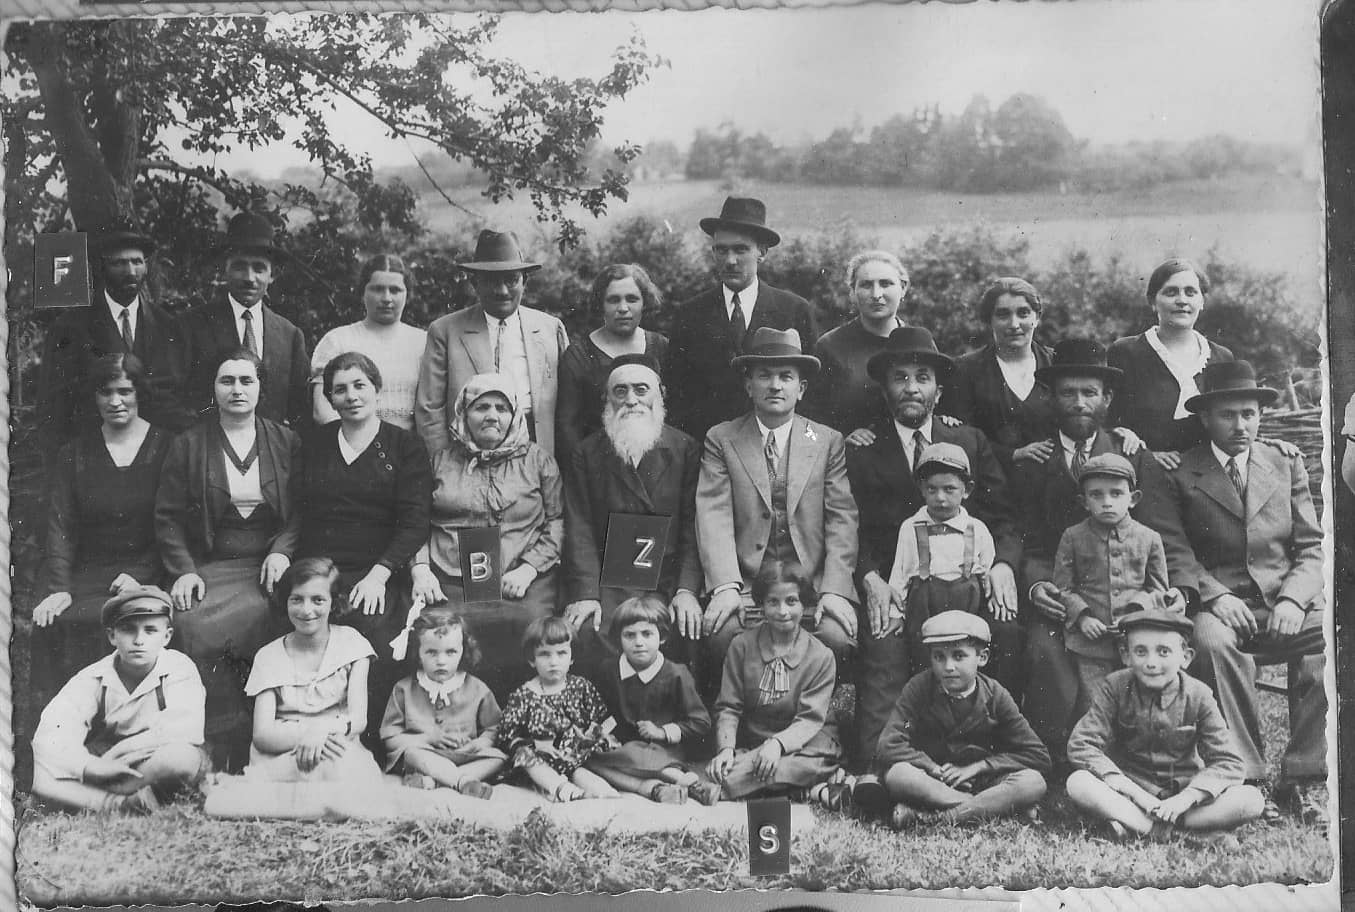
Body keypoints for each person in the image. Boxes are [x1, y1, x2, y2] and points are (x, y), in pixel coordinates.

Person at [1147, 359, 1327, 822]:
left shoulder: (1285, 463)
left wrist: (1292, 597)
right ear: (1205, 418)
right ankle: (1244, 775)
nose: (1241, 425)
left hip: (1283, 598)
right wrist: (1215, 596)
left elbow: (1311, 546)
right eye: (1228, 415)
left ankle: (1304, 776)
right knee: (1210, 643)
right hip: (1219, 602)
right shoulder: (1181, 472)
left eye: (1249, 413)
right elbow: (1175, 549)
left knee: (1325, 639)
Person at [844, 326, 1020, 769]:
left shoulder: (969, 441)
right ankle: (876, 766)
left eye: (922, 377)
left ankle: (996, 758)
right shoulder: (863, 447)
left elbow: (1004, 519)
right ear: (885, 389)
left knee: (1008, 634)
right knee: (883, 644)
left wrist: (1001, 566)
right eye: (899, 377)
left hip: (967, 584)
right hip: (898, 587)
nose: (911, 387)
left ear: (938, 391)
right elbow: (853, 530)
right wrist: (871, 580)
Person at [1011, 338, 1168, 772]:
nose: (1079, 402)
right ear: (1051, 397)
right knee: (1045, 653)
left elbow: (1160, 535)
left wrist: (1167, 596)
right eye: (1067, 392)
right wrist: (1037, 584)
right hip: (1057, 593)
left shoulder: (1130, 453)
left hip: (1126, 601)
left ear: (1107, 397)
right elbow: (1024, 539)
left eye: (1090, 392)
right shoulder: (1033, 460)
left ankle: (1129, 757)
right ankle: (1052, 759)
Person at [154, 348, 302, 770]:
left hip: (267, 565)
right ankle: (218, 738)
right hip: (210, 564)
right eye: (227, 381)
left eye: (246, 381)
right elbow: (166, 516)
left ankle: (264, 736)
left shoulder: (285, 440)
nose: (237, 389)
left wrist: (281, 551)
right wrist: (183, 571)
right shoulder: (189, 443)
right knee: (190, 620)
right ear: (213, 388)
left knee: (268, 613)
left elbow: (303, 509)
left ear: (260, 388)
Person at [695, 327, 858, 682]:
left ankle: (820, 725)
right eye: (764, 376)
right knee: (720, 637)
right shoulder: (722, 439)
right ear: (748, 385)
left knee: (837, 637)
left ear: (801, 389)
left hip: (810, 587)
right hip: (748, 586)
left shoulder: (826, 440)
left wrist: (834, 591)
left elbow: (841, 520)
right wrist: (724, 587)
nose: (775, 385)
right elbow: (713, 514)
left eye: (786, 377)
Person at [295, 352, 432, 741]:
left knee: (373, 628)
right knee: (305, 623)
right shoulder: (315, 443)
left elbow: (414, 522)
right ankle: (309, 734)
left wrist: (379, 575)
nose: (351, 396)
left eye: (360, 385)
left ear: (377, 389)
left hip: (379, 567)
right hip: (322, 565)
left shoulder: (405, 446)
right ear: (330, 398)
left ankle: (367, 739)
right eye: (340, 389)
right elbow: (302, 512)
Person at [409, 373, 561, 700]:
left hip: (519, 578)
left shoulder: (538, 461)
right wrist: (420, 569)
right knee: (440, 631)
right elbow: (416, 521)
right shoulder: (439, 461)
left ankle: (525, 711)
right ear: (463, 413)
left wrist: (530, 568)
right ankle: (454, 714)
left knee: (531, 625)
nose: (492, 415)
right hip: (450, 578)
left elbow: (557, 521)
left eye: (501, 408)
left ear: (515, 415)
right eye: (481, 407)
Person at [32, 354, 174, 686]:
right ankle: (59, 723)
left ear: (140, 392)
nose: (115, 401)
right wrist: (59, 588)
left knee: (129, 618)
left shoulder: (168, 447)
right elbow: (60, 524)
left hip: (148, 569)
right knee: (51, 619)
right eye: (105, 392)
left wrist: (140, 575)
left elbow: (173, 524)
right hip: (88, 570)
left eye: (124, 391)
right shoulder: (74, 453)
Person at [1065, 604, 1264, 840]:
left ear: (1186, 657)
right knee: (1079, 783)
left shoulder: (1199, 694)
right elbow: (1081, 745)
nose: (1151, 662)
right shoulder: (1114, 687)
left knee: (1251, 800)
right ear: (1125, 655)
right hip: (1132, 793)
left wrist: (1186, 798)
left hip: (1184, 799)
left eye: (1163, 652)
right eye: (1140, 652)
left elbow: (1229, 762)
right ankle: (1183, 835)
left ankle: (1140, 826)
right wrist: (1135, 793)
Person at [562, 354, 703, 675]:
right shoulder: (587, 452)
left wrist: (686, 590)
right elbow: (579, 527)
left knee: (683, 628)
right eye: (620, 391)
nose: (632, 400)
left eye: (641, 390)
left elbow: (693, 528)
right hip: (610, 580)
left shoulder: (685, 449)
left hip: (665, 578)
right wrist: (586, 594)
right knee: (591, 631)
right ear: (607, 399)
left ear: (660, 394)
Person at [860, 610, 1048, 830]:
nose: (948, 666)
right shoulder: (919, 688)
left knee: (1033, 782)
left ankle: (932, 819)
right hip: (935, 781)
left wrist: (979, 767)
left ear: (982, 657)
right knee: (898, 775)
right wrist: (932, 768)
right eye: (939, 657)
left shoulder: (996, 695)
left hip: (984, 782)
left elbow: (1038, 755)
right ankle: (993, 808)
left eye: (959, 656)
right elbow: (889, 744)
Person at [31, 586, 207, 814]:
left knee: (182, 758)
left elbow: (184, 729)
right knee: (27, 763)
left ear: (167, 636)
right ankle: (116, 804)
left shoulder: (178, 667)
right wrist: (91, 766)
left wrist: (118, 755)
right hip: (103, 760)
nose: (139, 640)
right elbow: (53, 732)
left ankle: (90, 795)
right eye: (128, 630)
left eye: (150, 630)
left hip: (151, 757)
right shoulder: (93, 676)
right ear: (112, 636)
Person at [665, 197, 817, 441]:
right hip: (708, 450)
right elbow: (677, 393)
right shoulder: (689, 313)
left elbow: (811, 390)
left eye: (740, 249)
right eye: (721, 250)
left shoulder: (794, 310)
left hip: (777, 446)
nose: (730, 260)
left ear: (762, 252)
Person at [415, 229, 569, 458]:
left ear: (524, 281)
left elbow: (569, 404)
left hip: (537, 454)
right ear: (475, 283)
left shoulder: (549, 329)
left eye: (511, 280)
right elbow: (430, 409)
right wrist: (443, 464)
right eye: (490, 281)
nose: (502, 291)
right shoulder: (446, 331)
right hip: (467, 456)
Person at [706, 561, 843, 802]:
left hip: (807, 742)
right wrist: (726, 748)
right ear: (761, 605)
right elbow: (729, 706)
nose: (782, 611)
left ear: (805, 604)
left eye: (791, 601)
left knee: (807, 762)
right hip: (757, 739)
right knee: (752, 763)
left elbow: (809, 719)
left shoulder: (821, 656)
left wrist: (777, 745)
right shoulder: (742, 646)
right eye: (773, 602)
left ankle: (732, 783)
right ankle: (805, 789)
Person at [242, 558, 382, 784]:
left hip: (337, 747)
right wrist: (309, 735)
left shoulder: (352, 644)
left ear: (334, 602)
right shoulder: (268, 657)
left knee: (350, 776)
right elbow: (262, 734)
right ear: (285, 601)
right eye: (297, 599)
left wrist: (323, 732)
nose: (306, 610)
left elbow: (358, 719)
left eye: (318, 600)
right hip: (282, 754)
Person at [39, 222, 179, 448]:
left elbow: (174, 398)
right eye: (120, 263)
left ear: (146, 266)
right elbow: (53, 411)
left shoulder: (168, 325)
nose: (131, 272)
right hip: (94, 457)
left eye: (137, 262)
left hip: (158, 457)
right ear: (103, 268)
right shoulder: (69, 327)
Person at [1054, 454, 1177, 711]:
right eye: (1096, 495)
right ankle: (1098, 748)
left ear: (1133, 499)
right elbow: (1063, 588)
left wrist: (1136, 610)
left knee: (1139, 700)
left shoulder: (1149, 537)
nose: (1107, 502)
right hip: (1091, 643)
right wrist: (1083, 617)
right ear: (1084, 502)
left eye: (1116, 494)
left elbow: (1158, 589)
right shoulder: (1073, 537)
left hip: (1138, 639)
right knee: (1096, 704)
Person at [170, 211, 310, 429]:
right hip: (209, 452)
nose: (249, 278)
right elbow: (171, 397)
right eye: (239, 266)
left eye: (259, 268)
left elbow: (301, 409)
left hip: (271, 454)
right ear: (224, 269)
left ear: (272, 275)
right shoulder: (191, 325)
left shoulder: (290, 335)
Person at [586, 596, 718, 805]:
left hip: (663, 749)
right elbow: (602, 711)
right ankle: (656, 790)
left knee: (642, 758)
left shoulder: (676, 674)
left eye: (647, 634)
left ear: (662, 637)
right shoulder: (609, 670)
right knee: (586, 759)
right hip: (623, 747)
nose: (638, 642)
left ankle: (692, 785)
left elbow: (701, 722)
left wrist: (663, 732)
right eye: (629, 635)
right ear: (618, 639)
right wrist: (603, 733)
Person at [1106, 258, 1235, 468]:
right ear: (1152, 301)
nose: (1182, 300)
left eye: (1191, 292)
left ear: (1202, 301)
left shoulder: (1221, 357)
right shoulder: (1126, 352)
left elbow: (1234, 421)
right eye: (1171, 292)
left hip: (1208, 476)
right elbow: (1108, 423)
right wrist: (1147, 455)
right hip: (1145, 473)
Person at [886, 443, 998, 678]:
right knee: (923, 656)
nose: (940, 498)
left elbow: (988, 571)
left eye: (949, 489)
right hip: (924, 604)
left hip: (967, 604)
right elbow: (900, 574)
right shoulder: (911, 528)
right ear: (921, 489)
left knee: (965, 653)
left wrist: (994, 597)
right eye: (932, 489)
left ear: (966, 490)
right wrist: (896, 614)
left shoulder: (976, 528)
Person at [381, 605, 505, 799]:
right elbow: (390, 738)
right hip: (425, 755)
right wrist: (428, 738)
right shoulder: (404, 689)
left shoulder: (477, 688)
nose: (441, 661)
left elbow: (493, 727)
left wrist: (478, 744)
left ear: (463, 651)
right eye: (431, 652)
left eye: (450, 652)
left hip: (465, 755)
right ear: (418, 653)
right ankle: (461, 782)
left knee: (499, 757)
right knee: (412, 754)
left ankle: (435, 781)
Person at [555, 264, 669, 467]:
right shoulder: (579, 356)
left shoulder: (661, 347)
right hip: (599, 469)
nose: (623, 308)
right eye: (613, 300)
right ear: (601, 304)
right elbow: (568, 427)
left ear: (644, 302)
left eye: (632, 299)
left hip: (655, 467)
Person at [939, 277, 1056, 473]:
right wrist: (1012, 454)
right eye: (1003, 315)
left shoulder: (1057, 363)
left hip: (1051, 484)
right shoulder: (965, 370)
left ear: (1036, 317)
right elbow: (959, 436)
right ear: (989, 320)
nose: (1014, 324)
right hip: (992, 483)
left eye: (1023, 313)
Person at [495, 616, 619, 801]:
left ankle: (605, 796)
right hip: (541, 760)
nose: (554, 661)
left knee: (590, 779)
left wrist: (591, 737)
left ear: (572, 658)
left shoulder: (581, 687)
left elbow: (603, 720)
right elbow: (506, 737)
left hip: (577, 758)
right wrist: (535, 744)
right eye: (545, 654)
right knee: (526, 758)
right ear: (532, 660)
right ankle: (563, 789)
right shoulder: (524, 696)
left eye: (561, 653)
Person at [310, 253, 427, 431]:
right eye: (377, 289)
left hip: (409, 451)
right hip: (352, 449)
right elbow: (323, 410)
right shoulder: (337, 340)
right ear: (362, 292)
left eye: (395, 290)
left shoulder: (423, 343)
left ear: (407, 294)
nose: (387, 298)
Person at [804, 250, 909, 435]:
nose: (876, 294)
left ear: (903, 288)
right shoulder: (830, 346)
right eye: (866, 285)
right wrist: (842, 438)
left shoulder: (918, 342)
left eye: (886, 284)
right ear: (852, 292)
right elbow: (811, 420)